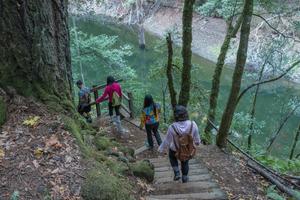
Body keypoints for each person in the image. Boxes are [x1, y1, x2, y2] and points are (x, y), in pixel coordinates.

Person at [158, 105, 200, 183]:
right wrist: (196, 143)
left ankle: (177, 172)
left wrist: (161, 148)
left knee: (172, 157)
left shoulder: (172, 127)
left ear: (175, 116)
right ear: (186, 114)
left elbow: (167, 140)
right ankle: (184, 178)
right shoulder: (193, 124)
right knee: (185, 162)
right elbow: (197, 139)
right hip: (187, 149)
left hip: (175, 149)